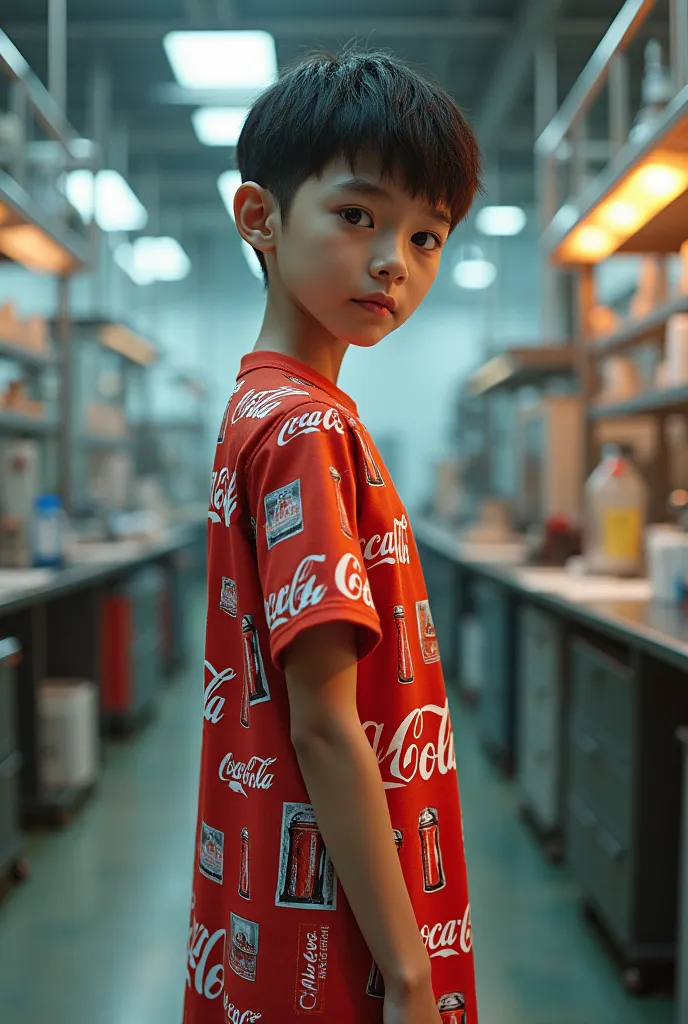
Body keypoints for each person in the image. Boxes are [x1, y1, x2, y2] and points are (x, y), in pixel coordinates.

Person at [184, 47, 482, 1024]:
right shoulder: (308, 427)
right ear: (260, 219)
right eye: (359, 216)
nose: (395, 258)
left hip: (270, 904)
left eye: (428, 235)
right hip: (332, 931)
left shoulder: (259, 403)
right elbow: (321, 720)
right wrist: (405, 969)